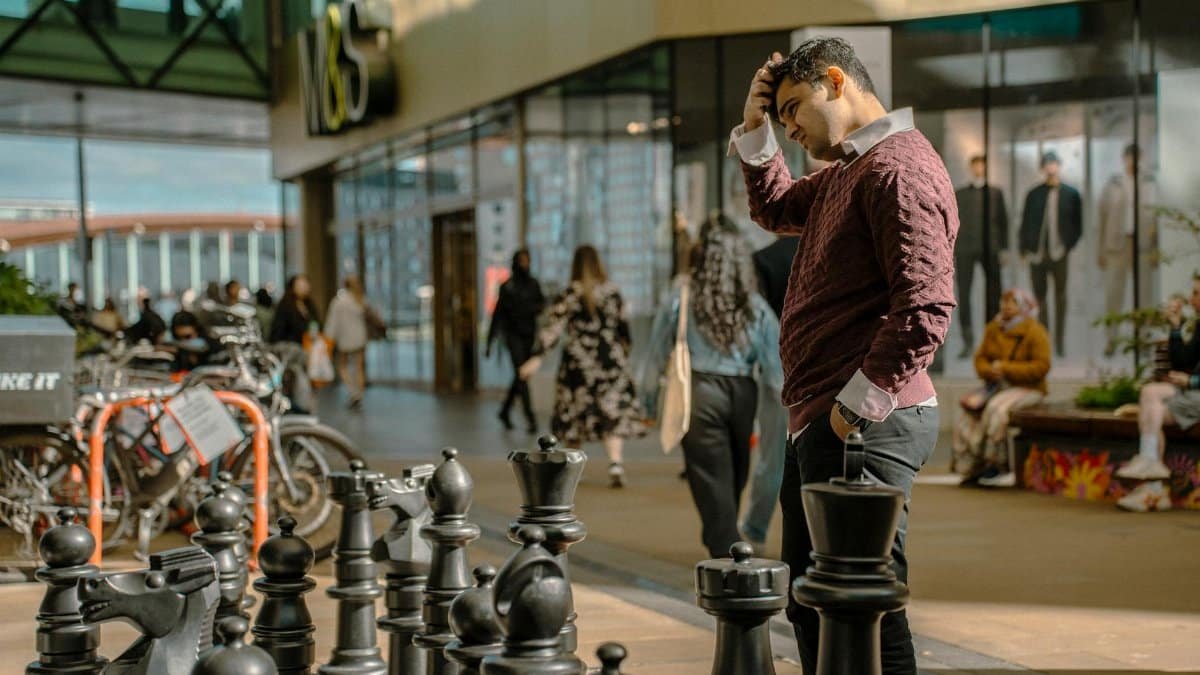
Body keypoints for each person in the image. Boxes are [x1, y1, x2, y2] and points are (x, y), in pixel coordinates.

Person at [734, 38, 957, 673]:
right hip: (828, 424)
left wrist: (852, 410)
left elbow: (926, 306)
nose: (792, 126)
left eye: (794, 107)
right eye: (781, 119)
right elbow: (775, 207)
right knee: (816, 603)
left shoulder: (897, 168)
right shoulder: (853, 169)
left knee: (863, 610)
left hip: (860, 425)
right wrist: (755, 128)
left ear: (836, 81)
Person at [642, 215, 783, 557]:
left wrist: (647, 401)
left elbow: (657, 348)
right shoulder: (754, 305)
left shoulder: (683, 295)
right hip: (743, 395)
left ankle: (726, 550)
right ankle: (728, 545)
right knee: (735, 475)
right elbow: (774, 364)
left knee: (711, 478)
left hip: (700, 393)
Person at [518, 245, 645, 488]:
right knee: (610, 413)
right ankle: (615, 463)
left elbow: (552, 329)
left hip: (579, 363)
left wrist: (536, 357)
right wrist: (622, 353)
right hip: (609, 360)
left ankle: (572, 470)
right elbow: (624, 330)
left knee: (574, 416)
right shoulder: (613, 292)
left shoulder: (570, 293)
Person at [1116, 279, 1200, 512]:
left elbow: (1189, 371)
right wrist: (1175, 327)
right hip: (1193, 393)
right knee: (1152, 410)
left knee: (1150, 397)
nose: (1191, 299)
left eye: (1196, 293)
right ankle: (1154, 485)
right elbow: (1184, 361)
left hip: (1196, 391)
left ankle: (1151, 474)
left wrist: (1192, 380)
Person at [954, 289, 1050, 486]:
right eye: (1004, 301)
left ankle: (995, 463)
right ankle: (972, 466)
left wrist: (1006, 368)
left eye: (1013, 302)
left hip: (1027, 388)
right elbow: (980, 358)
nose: (1006, 306)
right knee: (969, 415)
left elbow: (1042, 366)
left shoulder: (1034, 331)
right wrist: (989, 370)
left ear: (1024, 306)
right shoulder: (994, 328)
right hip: (997, 386)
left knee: (996, 410)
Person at [738, 234, 797, 546]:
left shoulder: (763, 259)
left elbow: (755, 317)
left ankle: (756, 528)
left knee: (772, 456)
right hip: (824, 364)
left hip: (779, 365)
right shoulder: (830, 245)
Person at [1019, 151, 1083, 358]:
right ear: (1042, 167)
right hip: (1037, 254)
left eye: (1053, 163)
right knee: (1040, 299)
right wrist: (1024, 248)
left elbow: (1077, 225)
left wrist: (1067, 246)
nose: (1050, 167)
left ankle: (1061, 342)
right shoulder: (1034, 193)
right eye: (1046, 164)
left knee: (1060, 297)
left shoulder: (1071, 193)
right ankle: (1045, 340)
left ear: (1059, 166)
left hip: (1059, 253)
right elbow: (1025, 222)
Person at [1098, 143, 1158, 355]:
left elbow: (1156, 217)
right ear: (1123, 159)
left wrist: (1155, 249)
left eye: (1136, 156)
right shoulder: (1113, 184)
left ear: (1141, 158)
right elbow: (1102, 218)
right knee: (1114, 293)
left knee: (1144, 294)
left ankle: (1143, 340)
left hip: (1142, 245)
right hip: (1117, 245)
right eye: (1128, 157)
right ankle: (1111, 340)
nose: (1132, 161)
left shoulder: (1150, 183)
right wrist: (1101, 250)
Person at [954, 155, 1010, 358]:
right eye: (975, 164)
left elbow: (1003, 222)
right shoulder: (960, 194)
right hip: (965, 248)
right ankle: (968, 341)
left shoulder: (995, 193)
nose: (978, 168)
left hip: (990, 248)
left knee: (994, 293)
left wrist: (1004, 249)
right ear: (971, 167)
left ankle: (993, 339)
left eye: (981, 164)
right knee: (964, 294)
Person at [486, 249, 545, 433]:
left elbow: (542, 305)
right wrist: (490, 341)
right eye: (521, 261)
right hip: (512, 336)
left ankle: (505, 410)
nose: (524, 264)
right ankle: (531, 418)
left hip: (528, 335)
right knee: (522, 374)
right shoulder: (507, 287)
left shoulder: (533, 284)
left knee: (521, 375)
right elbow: (497, 315)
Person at [325, 275, 369, 409]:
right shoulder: (360, 300)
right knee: (359, 367)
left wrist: (328, 338)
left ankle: (353, 392)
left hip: (345, 338)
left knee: (342, 366)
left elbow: (332, 322)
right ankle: (359, 395)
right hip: (360, 337)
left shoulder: (339, 301)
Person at [270, 274, 319, 345]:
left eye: (306, 285)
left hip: (307, 343)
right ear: (293, 286)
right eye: (302, 285)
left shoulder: (309, 304)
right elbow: (279, 330)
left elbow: (316, 322)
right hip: (290, 345)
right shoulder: (286, 304)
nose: (305, 288)